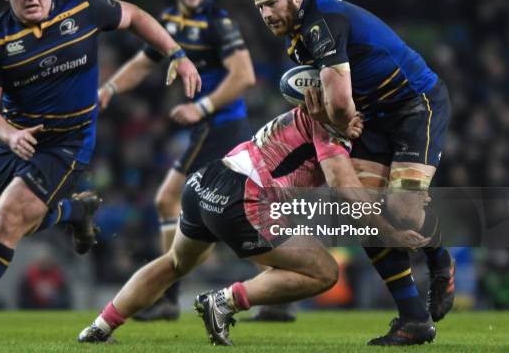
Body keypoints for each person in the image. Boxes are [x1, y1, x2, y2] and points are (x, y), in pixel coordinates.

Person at [0, 0, 200, 333]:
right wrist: (9, 134)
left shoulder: (82, 8)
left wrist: (177, 55)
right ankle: (74, 213)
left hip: (69, 140)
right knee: (19, 225)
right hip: (19, 139)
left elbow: (134, 15)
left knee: (7, 219)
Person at [77, 104, 428, 346]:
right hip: (243, 197)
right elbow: (344, 188)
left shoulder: (306, 112)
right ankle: (224, 301)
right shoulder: (330, 129)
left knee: (175, 263)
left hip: (206, 180)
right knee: (323, 271)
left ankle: (100, 326)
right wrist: (391, 230)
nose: (359, 121)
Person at [243, 0, 454, 345]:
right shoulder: (300, 28)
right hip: (372, 114)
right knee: (362, 211)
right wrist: (335, 114)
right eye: (259, 6)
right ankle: (413, 319)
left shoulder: (320, 23)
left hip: (414, 105)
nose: (265, 13)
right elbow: (332, 99)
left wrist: (339, 121)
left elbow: (339, 102)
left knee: (403, 210)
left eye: (271, 3)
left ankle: (441, 262)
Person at [98, 0, 256, 320]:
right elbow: (141, 64)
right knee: (233, 212)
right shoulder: (170, 22)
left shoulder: (218, 22)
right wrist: (109, 87)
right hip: (209, 127)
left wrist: (201, 108)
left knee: (168, 200)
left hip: (222, 125)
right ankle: (279, 289)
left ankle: (168, 297)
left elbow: (245, 75)